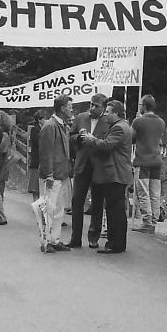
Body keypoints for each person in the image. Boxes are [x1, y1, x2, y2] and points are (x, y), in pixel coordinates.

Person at [81, 99, 133, 254]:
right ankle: (118, 242)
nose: (105, 114)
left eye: (108, 112)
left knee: (114, 209)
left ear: (116, 112)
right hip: (118, 172)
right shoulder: (123, 126)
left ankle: (114, 243)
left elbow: (107, 145)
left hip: (115, 173)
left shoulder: (119, 128)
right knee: (117, 209)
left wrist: (92, 140)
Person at [67, 94, 108, 249]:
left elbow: (109, 144)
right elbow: (70, 137)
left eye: (97, 106)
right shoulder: (80, 117)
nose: (93, 108)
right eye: (91, 104)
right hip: (82, 164)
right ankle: (75, 238)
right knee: (77, 201)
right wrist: (78, 137)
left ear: (103, 108)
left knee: (97, 202)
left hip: (99, 166)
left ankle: (93, 237)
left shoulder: (108, 121)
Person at [38, 94, 73, 252]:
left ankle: (55, 239)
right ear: (62, 108)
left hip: (62, 174)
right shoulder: (50, 126)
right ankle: (45, 241)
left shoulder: (62, 125)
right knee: (49, 209)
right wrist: (49, 174)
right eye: (70, 107)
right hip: (53, 175)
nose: (72, 110)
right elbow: (45, 153)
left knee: (59, 209)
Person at [132, 94, 166, 234]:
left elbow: (132, 138)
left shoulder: (138, 121)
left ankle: (147, 221)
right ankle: (154, 220)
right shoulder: (161, 122)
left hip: (143, 160)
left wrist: (136, 121)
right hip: (157, 160)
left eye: (141, 105)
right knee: (155, 192)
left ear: (144, 106)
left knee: (143, 192)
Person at [0, 110, 16, 197]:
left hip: (0, 163)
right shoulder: (7, 134)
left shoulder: (3, 135)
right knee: (0, 186)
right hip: (4, 163)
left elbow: (1, 150)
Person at [27, 110, 47, 201]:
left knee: (42, 185)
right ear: (39, 120)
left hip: (43, 159)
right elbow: (37, 142)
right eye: (44, 118)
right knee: (35, 186)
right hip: (36, 160)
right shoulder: (35, 129)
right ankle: (36, 203)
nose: (46, 120)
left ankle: (41, 204)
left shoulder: (45, 129)